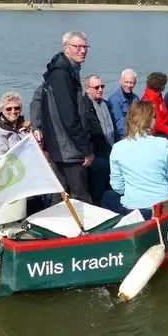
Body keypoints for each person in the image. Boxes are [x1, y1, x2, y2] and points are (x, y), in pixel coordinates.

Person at [102, 101, 168, 219]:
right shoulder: (164, 144)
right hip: (163, 203)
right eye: (155, 117)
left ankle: (112, 231)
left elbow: (118, 186)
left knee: (107, 196)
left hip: (134, 207)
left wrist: (134, 191)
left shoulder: (117, 148)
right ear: (148, 121)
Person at [40, 31, 94, 205]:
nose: (82, 50)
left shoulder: (63, 70)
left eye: (85, 46)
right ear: (66, 48)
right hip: (68, 149)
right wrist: (86, 150)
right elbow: (69, 117)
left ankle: (56, 230)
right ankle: (86, 232)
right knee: (81, 200)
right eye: (77, 46)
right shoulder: (62, 75)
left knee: (60, 196)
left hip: (59, 146)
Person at [83, 74, 118, 202]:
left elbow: (113, 127)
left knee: (112, 182)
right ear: (87, 89)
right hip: (95, 152)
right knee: (99, 182)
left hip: (109, 148)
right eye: (96, 87)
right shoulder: (83, 106)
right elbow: (88, 132)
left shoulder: (106, 105)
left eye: (102, 86)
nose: (100, 90)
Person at [0, 92, 30, 158]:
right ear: (2, 110)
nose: (13, 111)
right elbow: (1, 158)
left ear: (21, 109)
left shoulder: (25, 126)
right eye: (9, 109)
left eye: (17, 108)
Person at [141, 72, 168, 141]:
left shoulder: (159, 95)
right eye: (164, 84)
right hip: (155, 132)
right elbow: (157, 124)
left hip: (165, 128)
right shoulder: (151, 100)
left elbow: (166, 112)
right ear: (160, 86)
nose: (165, 86)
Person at [107, 69, 139, 138]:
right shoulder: (114, 100)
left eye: (131, 82)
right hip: (123, 137)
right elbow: (120, 127)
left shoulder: (136, 98)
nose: (129, 85)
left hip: (136, 134)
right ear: (121, 81)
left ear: (135, 83)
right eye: (126, 82)